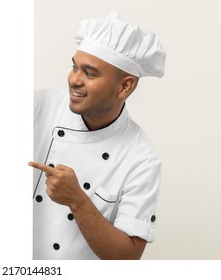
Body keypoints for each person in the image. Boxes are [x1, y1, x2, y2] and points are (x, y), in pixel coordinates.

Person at [29, 11, 166, 260]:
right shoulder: (37, 106)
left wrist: (78, 201)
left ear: (125, 86)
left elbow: (127, 258)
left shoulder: (141, 158)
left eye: (89, 74)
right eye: (74, 67)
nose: (74, 80)